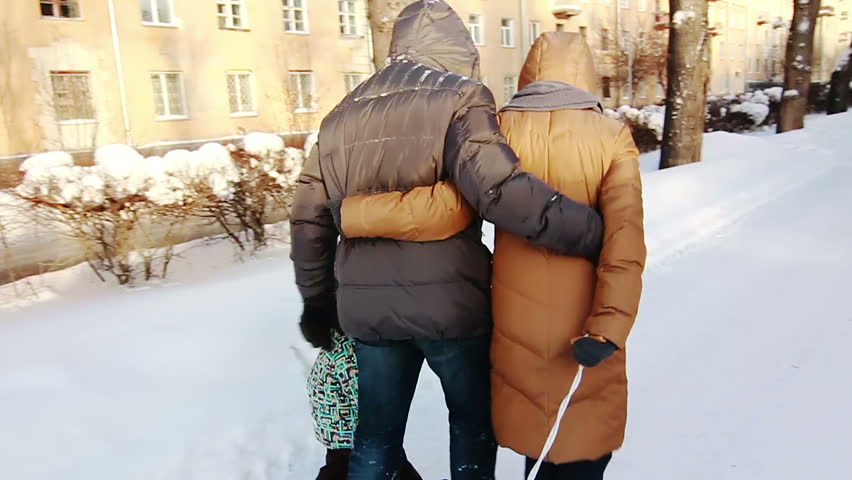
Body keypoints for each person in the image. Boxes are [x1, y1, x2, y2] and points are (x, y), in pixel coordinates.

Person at [290, 1, 606, 478]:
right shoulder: (461, 96)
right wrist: (586, 230)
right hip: (452, 306)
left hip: (368, 312)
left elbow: (308, 217)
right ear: (460, 49)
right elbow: (498, 188)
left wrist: (316, 300)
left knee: (374, 437)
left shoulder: (341, 114)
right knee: (472, 424)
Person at [306, 331, 422, 480]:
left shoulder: (333, 346)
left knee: (338, 468)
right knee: (393, 465)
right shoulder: (348, 353)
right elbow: (365, 397)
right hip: (352, 436)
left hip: (334, 435)